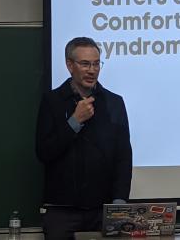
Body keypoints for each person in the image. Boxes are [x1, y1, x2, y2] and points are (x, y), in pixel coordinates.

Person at [36, 37, 132, 240]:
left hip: (103, 208)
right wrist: (74, 121)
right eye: (85, 64)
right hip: (62, 211)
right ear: (70, 66)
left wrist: (119, 203)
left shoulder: (114, 103)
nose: (92, 70)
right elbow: (44, 152)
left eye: (96, 64)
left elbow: (123, 157)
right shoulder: (52, 102)